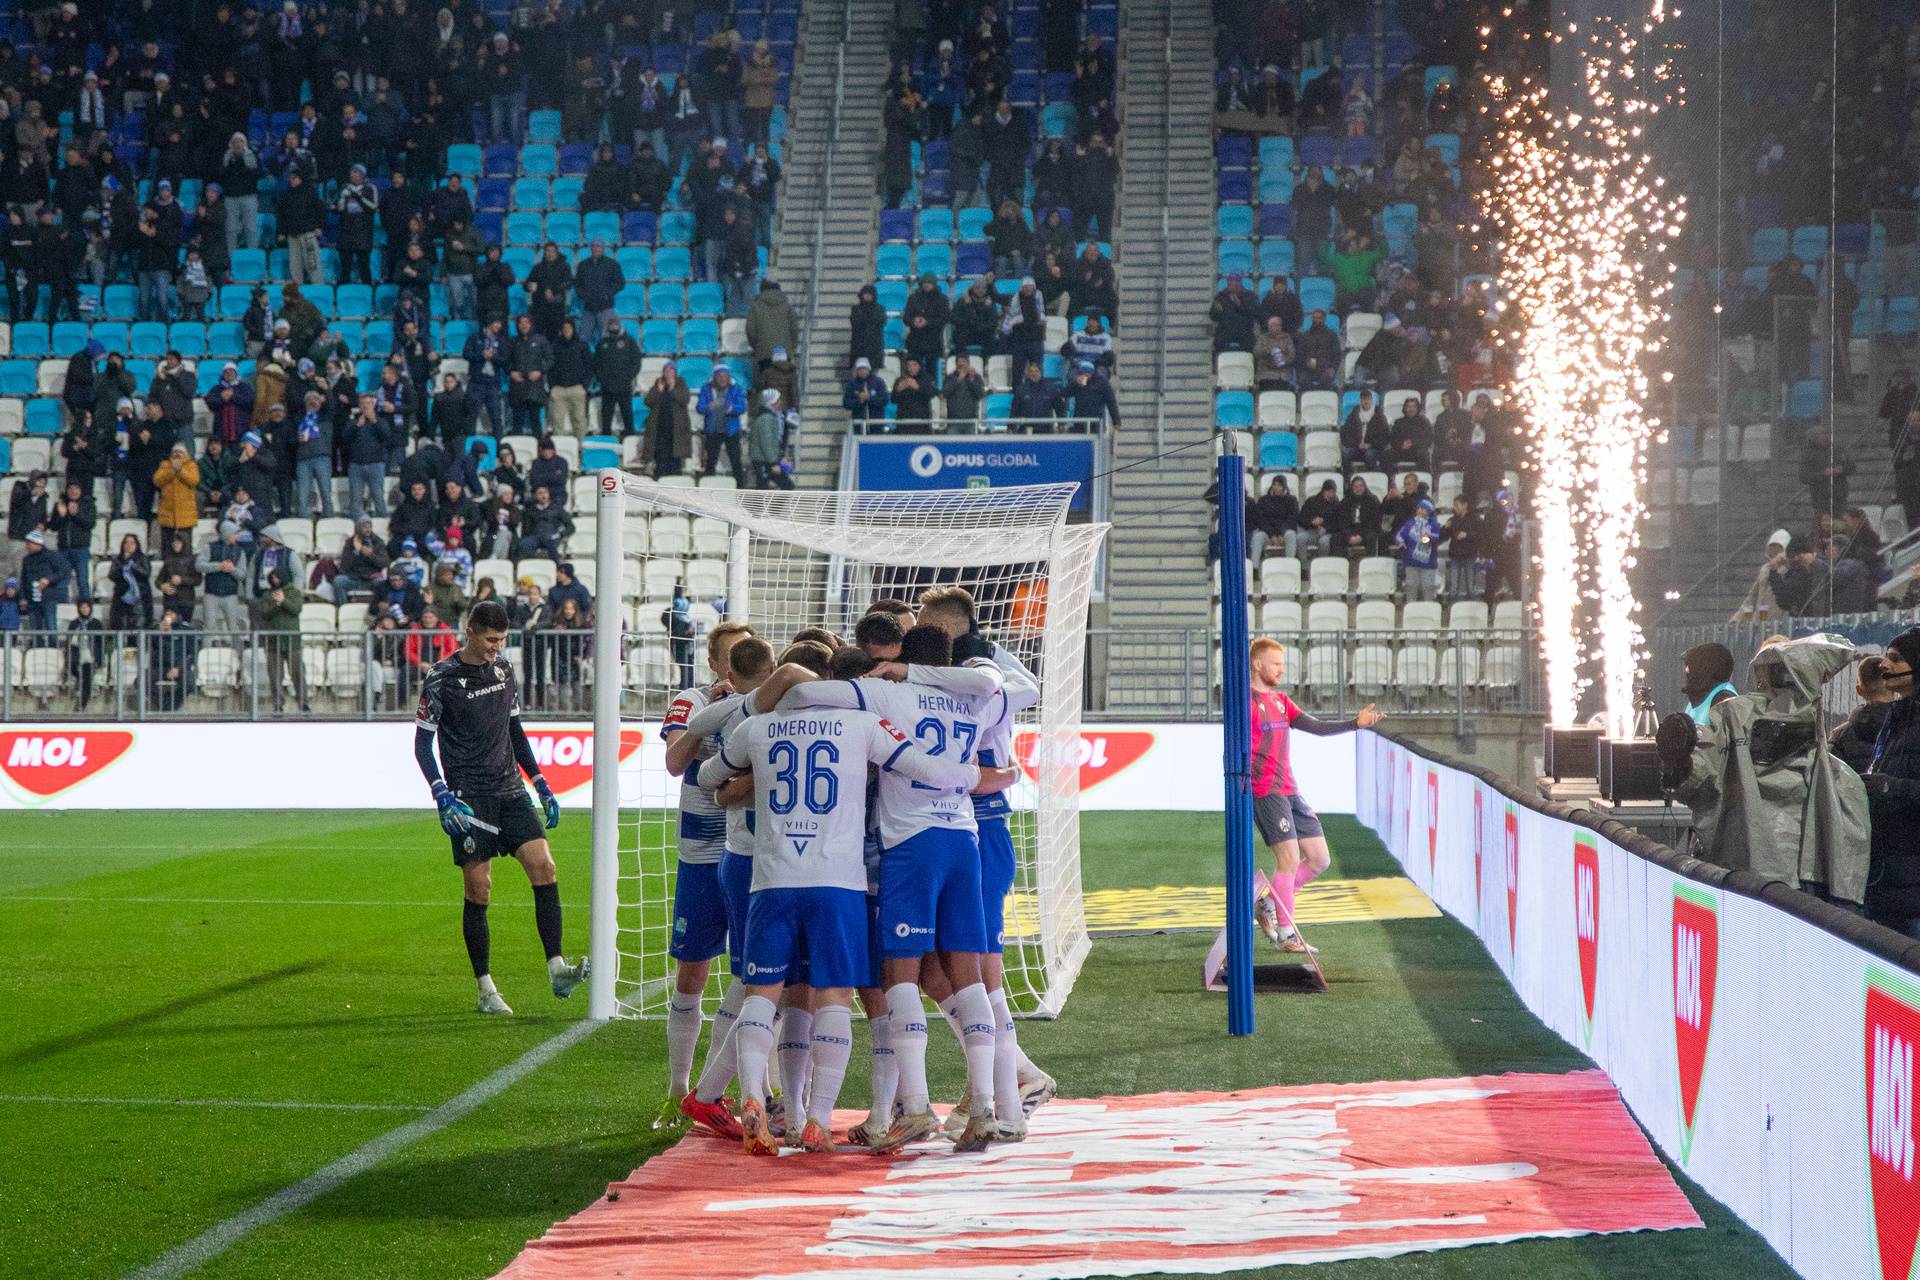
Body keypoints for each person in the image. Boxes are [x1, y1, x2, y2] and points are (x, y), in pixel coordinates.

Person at [694, 649, 991, 1156]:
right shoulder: (861, 724)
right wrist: (977, 777)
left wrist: (736, 788)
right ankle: (818, 1121)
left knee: (762, 994)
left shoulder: (757, 728)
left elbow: (705, 778)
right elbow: (920, 766)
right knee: (834, 995)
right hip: (839, 882)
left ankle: (750, 1098)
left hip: (771, 879)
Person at [414, 599, 590, 1015]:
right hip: (468, 798)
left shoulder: (504, 671)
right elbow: (422, 745)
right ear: (470, 630)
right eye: (491, 640)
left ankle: (557, 967)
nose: (496, 648)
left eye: (502, 640)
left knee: (544, 867)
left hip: (510, 789)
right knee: (480, 888)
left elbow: (514, 730)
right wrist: (440, 792)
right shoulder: (441, 679)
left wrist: (541, 780)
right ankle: (485, 988)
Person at [651, 620, 758, 1129]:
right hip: (700, 850)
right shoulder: (690, 701)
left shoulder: (763, 703)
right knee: (693, 970)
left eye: (746, 655)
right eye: (730, 656)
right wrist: (711, 716)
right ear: (715, 663)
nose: (737, 665)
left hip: (749, 851)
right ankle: (677, 1086)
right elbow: (673, 764)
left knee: (753, 974)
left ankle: (722, 1089)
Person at [1248, 638, 1384, 953]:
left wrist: (1355, 724)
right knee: (1290, 860)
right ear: (1258, 664)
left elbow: (1317, 728)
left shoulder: (1281, 701)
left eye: (1282, 663)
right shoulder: (1247, 702)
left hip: (1290, 789)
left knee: (1320, 859)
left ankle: (1268, 902)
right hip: (1266, 791)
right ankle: (1287, 935)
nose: (1281, 669)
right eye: (1275, 663)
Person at [1830, 655, 1895, 775]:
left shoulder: (1839, 736)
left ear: (1859, 690)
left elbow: (1831, 781)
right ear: (1894, 687)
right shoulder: (1911, 729)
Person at [695, 368, 747, 481]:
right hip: (713, 431)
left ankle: (740, 487)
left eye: (725, 376)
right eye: (720, 376)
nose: (722, 379)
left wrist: (732, 409)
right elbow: (699, 407)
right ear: (715, 377)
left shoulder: (736, 389)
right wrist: (708, 407)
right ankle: (708, 487)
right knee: (710, 462)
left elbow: (742, 407)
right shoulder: (706, 389)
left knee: (736, 461)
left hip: (731, 431)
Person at [643, 361, 693, 477]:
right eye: (666, 370)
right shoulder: (658, 383)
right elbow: (648, 402)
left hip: (676, 431)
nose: (668, 373)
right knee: (660, 462)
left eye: (671, 370)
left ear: (675, 372)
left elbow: (684, 399)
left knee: (675, 464)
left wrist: (672, 388)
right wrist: (658, 391)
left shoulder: (680, 383)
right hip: (660, 431)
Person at [1394, 499, 1443, 601]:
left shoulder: (1435, 525)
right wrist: (1401, 542)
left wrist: (1428, 537)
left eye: (1423, 509)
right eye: (1419, 508)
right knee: (1411, 587)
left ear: (1429, 511)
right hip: (1411, 562)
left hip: (1428, 563)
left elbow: (1437, 538)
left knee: (1428, 588)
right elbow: (1400, 535)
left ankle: (1428, 610)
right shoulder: (1409, 524)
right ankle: (1410, 608)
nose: (1420, 510)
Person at [749, 389, 792, 490]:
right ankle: (772, 506)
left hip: (765, 459)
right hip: (763, 461)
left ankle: (769, 506)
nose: (780, 402)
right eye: (778, 400)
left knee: (762, 488)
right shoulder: (766, 419)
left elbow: (772, 442)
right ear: (773, 402)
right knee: (786, 486)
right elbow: (767, 443)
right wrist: (774, 463)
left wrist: (780, 457)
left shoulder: (768, 417)